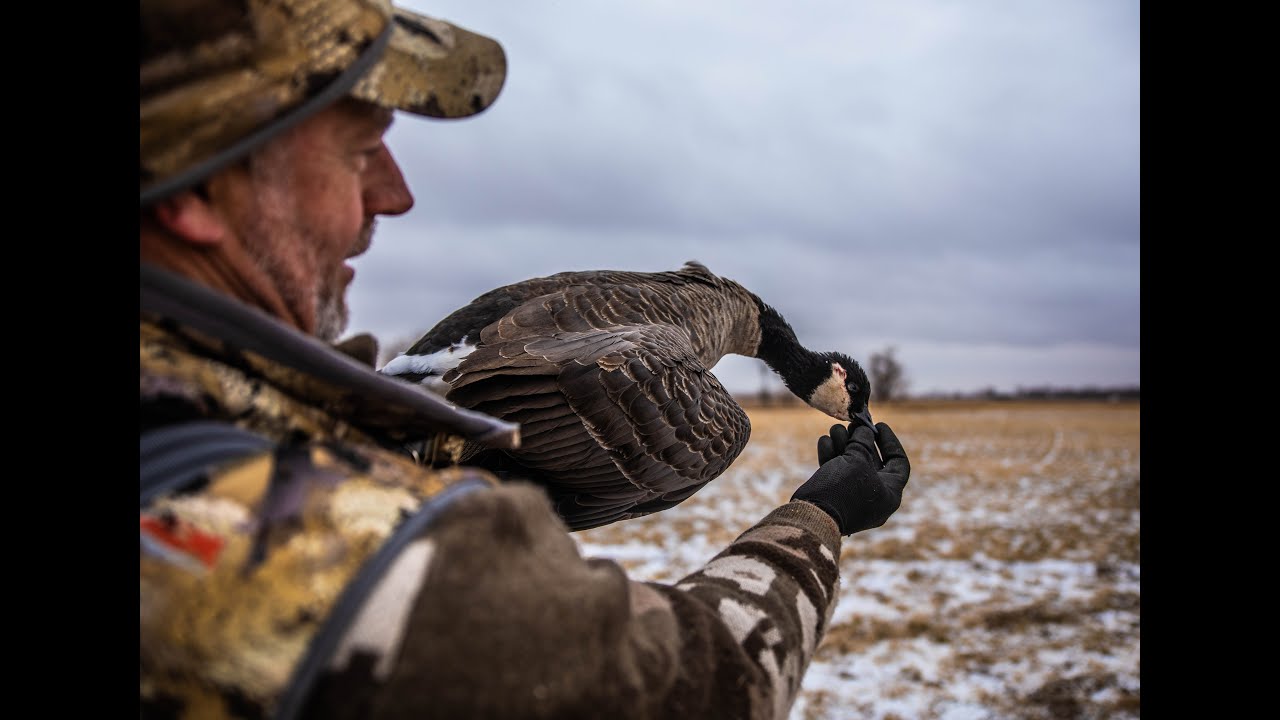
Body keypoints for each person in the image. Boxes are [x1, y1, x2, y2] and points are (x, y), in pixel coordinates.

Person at [138, 1, 912, 718]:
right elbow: (693, 689)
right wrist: (826, 514)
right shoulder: (281, 540)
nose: (397, 195)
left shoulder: (211, 401)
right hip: (479, 398)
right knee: (717, 431)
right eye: (359, 152)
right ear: (196, 191)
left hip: (454, 376)